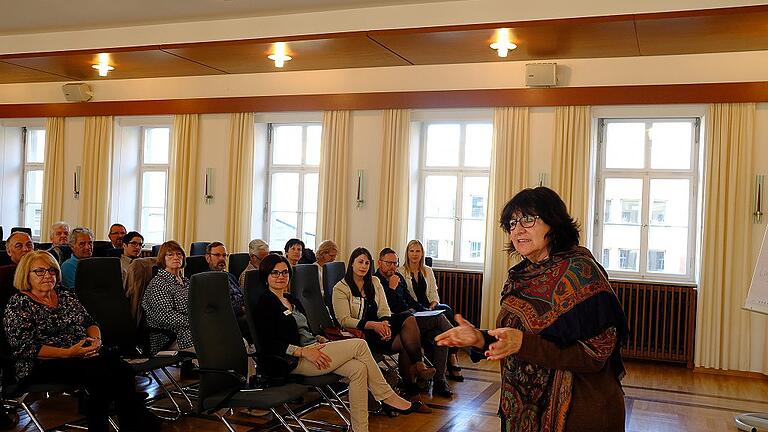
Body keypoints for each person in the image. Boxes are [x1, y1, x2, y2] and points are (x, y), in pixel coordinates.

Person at [436, 187, 629, 432]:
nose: (517, 230)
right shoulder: (520, 276)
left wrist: (522, 344)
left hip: (581, 411)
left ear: (554, 222)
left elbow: (595, 354)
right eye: (512, 223)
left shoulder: (582, 272)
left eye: (528, 219)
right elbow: (514, 338)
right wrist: (479, 338)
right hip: (526, 412)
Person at [253, 254, 421, 432]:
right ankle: (387, 397)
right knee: (359, 344)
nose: (281, 277)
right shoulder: (265, 303)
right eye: (275, 273)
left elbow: (304, 331)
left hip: (313, 348)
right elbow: (268, 343)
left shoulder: (292, 299)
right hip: (292, 360)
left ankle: (360, 429)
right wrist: (303, 352)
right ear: (266, 277)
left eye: (285, 272)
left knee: (358, 369)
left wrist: (319, 339)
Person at [3, 251, 161, 432]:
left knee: (122, 369)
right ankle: (128, 423)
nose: (47, 275)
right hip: (41, 363)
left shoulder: (65, 295)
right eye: (39, 271)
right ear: (26, 275)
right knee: (100, 376)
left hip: (80, 353)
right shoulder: (18, 304)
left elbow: (89, 322)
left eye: (51, 271)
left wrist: (95, 341)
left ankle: (131, 424)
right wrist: (69, 352)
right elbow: (26, 348)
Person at [332, 247, 435, 404]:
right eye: (360, 262)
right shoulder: (341, 288)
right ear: (352, 264)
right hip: (362, 332)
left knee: (408, 318)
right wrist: (374, 325)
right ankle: (413, 392)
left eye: (367, 263)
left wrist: (385, 323)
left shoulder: (374, 281)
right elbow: (344, 320)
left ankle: (419, 366)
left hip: (380, 325)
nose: (364, 266)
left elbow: (384, 308)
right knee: (404, 344)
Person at [375, 247, 453, 397]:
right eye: (388, 263)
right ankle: (466, 343)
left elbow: (410, 300)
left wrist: (424, 310)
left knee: (439, 334)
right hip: (397, 323)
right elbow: (388, 308)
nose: (392, 266)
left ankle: (439, 381)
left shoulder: (398, 277)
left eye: (395, 263)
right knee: (439, 319)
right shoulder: (376, 281)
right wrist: (391, 288)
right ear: (379, 263)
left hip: (411, 317)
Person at [402, 239, 464, 381]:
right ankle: (454, 353)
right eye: (411, 251)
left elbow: (433, 293)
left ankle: (448, 362)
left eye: (418, 251)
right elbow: (405, 298)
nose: (414, 254)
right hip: (415, 312)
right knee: (443, 320)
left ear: (422, 253)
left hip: (429, 308)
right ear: (407, 253)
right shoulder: (401, 272)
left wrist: (433, 304)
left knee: (446, 309)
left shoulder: (427, 270)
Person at [141, 240, 194, 354]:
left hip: (192, 329)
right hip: (172, 336)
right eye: (170, 254)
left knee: (235, 340)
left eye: (179, 254)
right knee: (215, 346)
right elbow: (166, 316)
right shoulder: (158, 284)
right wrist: (196, 321)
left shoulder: (187, 282)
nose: (176, 257)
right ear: (162, 258)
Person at [205, 241, 249, 341]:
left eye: (224, 255)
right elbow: (215, 308)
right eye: (217, 255)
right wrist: (242, 309)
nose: (222, 258)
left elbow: (242, 296)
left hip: (244, 312)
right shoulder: (205, 280)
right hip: (228, 319)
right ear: (208, 258)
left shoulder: (230, 276)